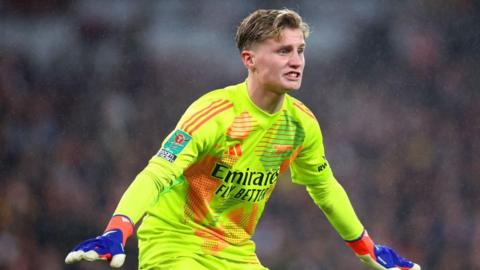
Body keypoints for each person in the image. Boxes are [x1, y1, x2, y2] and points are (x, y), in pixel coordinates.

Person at [65, 8, 421, 270]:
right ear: (249, 59)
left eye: (300, 50)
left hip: (236, 253)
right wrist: (118, 229)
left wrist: (368, 248)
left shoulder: (301, 124)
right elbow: (158, 172)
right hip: (177, 245)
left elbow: (325, 188)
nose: (296, 60)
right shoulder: (215, 112)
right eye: (283, 51)